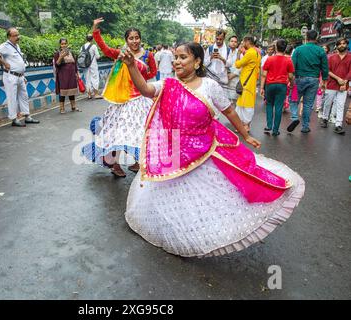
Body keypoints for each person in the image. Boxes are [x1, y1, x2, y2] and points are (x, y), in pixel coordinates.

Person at [120, 42, 305, 258]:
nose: (177, 61)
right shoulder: (168, 84)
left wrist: (245, 135)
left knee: (208, 199)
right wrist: (131, 66)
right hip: (176, 153)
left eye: (182, 57)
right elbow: (146, 89)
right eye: (176, 58)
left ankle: (201, 232)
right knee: (172, 199)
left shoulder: (209, 86)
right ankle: (176, 232)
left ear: (197, 61)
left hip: (205, 152)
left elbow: (229, 112)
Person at [81, 17, 157, 177]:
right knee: (117, 133)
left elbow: (153, 72)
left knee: (142, 132)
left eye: (137, 38)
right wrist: (95, 29)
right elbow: (105, 49)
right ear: (126, 40)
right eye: (131, 38)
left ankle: (137, 162)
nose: (134, 41)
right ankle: (115, 165)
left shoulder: (148, 55)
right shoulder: (121, 54)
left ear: (140, 39)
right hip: (122, 102)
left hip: (141, 101)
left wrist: (141, 80)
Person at [0, 28, 40, 127]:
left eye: (18, 35)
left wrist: (23, 75)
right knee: (12, 97)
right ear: (9, 37)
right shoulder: (5, 46)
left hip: (20, 76)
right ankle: (14, 119)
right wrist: (4, 63)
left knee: (24, 96)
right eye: (15, 35)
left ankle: (27, 116)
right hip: (10, 76)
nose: (18, 37)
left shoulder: (16, 46)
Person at [287, 30, 329, 133]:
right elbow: (324, 68)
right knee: (308, 104)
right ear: (317, 37)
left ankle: (294, 117)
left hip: (298, 80)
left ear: (306, 37)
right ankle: (305, 126)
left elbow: (292, 66)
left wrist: (291, 79)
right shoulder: (320, 51)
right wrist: (324, 81)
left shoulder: (298, 49)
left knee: (293, 100)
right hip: (314, 81)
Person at [260, 39, 295, 136]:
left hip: (270, 85)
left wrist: (262, 87)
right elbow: (291, 76)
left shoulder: (269, 59)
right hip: (282, 85)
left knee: (269, 105)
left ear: (276, 47)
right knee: (279, 107)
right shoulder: (288, 60)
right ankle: (275, 130)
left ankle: (269, 125)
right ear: (285, 48)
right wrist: (291, 84)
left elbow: (264, 75)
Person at [320, 38, 350, 134]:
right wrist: (338, 79)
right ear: (336, 46)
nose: (342, 45)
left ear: (346, 45)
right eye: (340, 44)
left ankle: (338, 125)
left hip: (343, 85)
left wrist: (344, 81)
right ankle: (325, 118)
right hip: (331, 84)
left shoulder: (350, 57)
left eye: (344, 43)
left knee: (341, 105)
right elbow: (327, 71)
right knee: (328, 103)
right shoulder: (331, 57)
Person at [235, 36, 261, 132]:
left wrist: (238, 53)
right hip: (250, 82)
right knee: (244, 104)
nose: (242, 44)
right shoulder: (256, 53)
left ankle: (245, 126)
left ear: (247, 42)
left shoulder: (250, 53)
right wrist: (243, 52)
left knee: (246, 105)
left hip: (246, 83)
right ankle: (243, 125)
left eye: (243, 42)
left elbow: (238, 65)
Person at [53, 38, 81, 114]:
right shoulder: (57, 53)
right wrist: (61, 56)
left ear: (67, 44)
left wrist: (77, 73)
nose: (64, 45)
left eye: (65, 43)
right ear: (60, 45)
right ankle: (62, 108)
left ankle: (73, 106)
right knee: (63, 91)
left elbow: (74, 64)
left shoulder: (71, 52)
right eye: (62, 44)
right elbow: (57, 64)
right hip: (63, 75)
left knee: (72, 91)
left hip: (71, 75)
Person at [81, 34, 102, 99]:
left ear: (86, 39)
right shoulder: (93, 46)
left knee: (87, 79)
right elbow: (98, 56)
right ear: (92, 39)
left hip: (85, 65)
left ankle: (89, 95)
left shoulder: (82, 47)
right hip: (93, 65)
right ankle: (96, 94)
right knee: (95, 78)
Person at [224, 35, 241, 107]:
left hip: (235, 80)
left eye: (235, 42)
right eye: (232, 41)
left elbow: (241, 67)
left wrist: (233, 75)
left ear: (237, 44)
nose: (233, 43)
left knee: (235, 103)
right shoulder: (225, 52)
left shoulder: (240, 53)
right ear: (228, 42)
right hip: (225, 79)